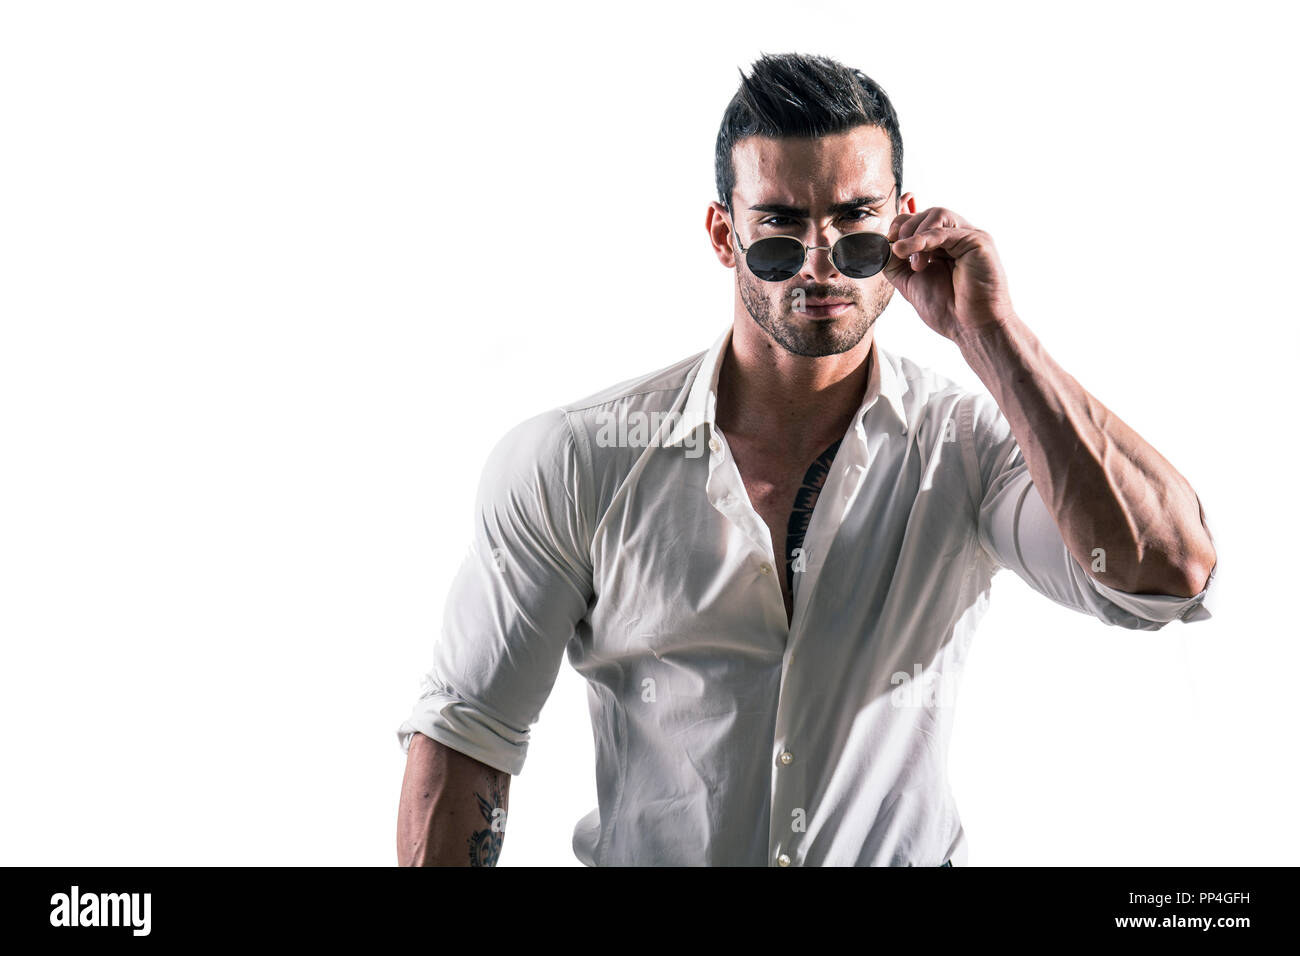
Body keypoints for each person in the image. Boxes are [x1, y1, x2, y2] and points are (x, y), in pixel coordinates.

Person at [395, 52, 1218, 867]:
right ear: (725, 234)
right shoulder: (577, 461)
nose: (822, 264)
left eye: (856, 225)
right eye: (782, 229)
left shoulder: (969, 449)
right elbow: (468, 734)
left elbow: (1163, 572)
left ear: (903, 223)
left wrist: (993, 337)